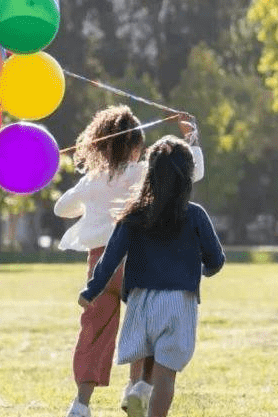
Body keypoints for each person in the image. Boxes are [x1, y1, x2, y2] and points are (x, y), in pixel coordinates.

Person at [55, 106, 205, 417]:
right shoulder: (141, 172)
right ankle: (137, 387)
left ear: (100, 146)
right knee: (145, 325)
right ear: (136, 146)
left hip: (99, 263)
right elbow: (192, 172)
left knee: (94, 330)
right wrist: (192, 139)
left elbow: (61, 208)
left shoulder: (91, 180)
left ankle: (81, 404)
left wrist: (92, 207)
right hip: (136, 260)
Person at [78, 136, 225, 417]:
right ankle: (149, 401)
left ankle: (138, 388)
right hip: (179, 303)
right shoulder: (195, 215)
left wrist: (91, 290)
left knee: (145, 353)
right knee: (166, 374)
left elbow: (110, 258)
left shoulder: (133, 215)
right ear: (188, 176)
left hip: (140, 301)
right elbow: (215, 259)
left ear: (150, 173)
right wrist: (204, 270)